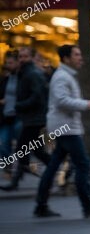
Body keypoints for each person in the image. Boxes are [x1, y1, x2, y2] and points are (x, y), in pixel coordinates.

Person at [34, 45, 90, 218]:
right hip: (65, 128)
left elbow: (66, 99)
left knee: (53, 166)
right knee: (83, 164)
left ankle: (41, 204)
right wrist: (86, 104)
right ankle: (87, 204)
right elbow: (61, 100)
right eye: (76, 55)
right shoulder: (62, 76)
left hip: (65, 126)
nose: (80, 57)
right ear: (66, 58)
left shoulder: (66, 75)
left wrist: (88, 101)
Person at [3, 47, 51, 191]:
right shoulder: (24, 73)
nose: (22, 59)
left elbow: (37, 97)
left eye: (25, 57)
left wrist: (19, 105)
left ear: (31, 57)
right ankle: (19, 178)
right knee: (33, 150)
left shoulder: (32, 74)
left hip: (35, 118)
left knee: (22, 149)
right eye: (21, 57)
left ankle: (17, 180)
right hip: (30, 118)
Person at [0, 52, 21, 185]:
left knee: (22, 146)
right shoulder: (5, 79)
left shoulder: (22, 78)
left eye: (11, 63)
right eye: (7, 63)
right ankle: (9, 168)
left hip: (19, 117)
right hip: (6, 117)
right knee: (3, 144)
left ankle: (18, 173)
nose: (8, 65)